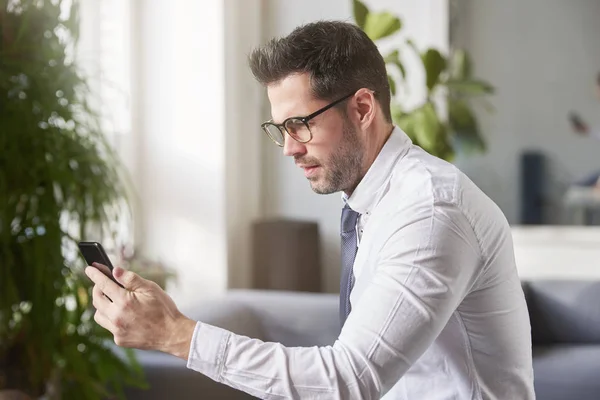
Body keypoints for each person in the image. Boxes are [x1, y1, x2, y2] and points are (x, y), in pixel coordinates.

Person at [85, 21, 535, 399]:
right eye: (279, 128)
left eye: (300, 125)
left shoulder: (430, 212)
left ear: (362, 108)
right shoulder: (374, 202)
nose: (288, 148)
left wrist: (175, 333)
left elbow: (348, 379)